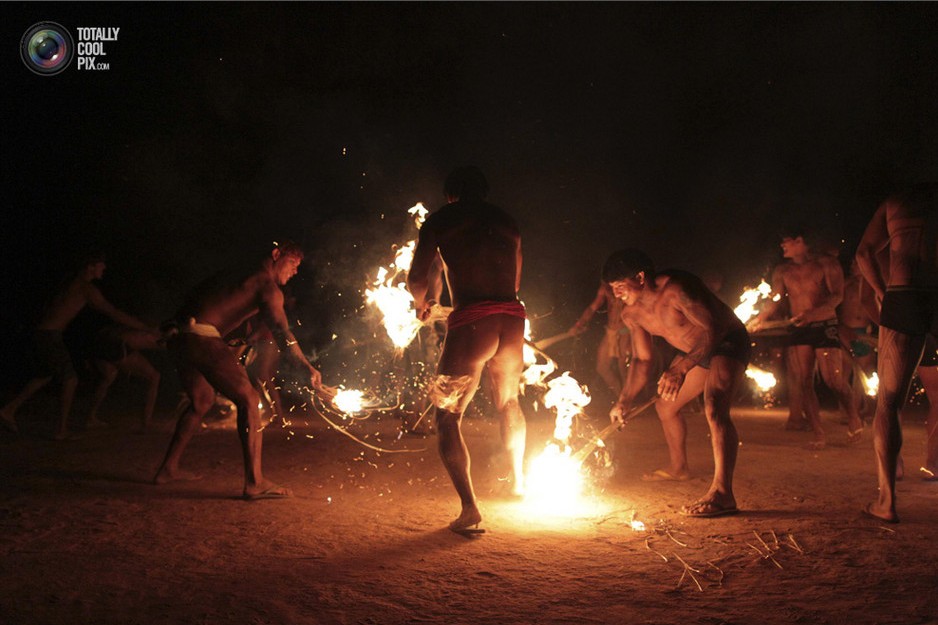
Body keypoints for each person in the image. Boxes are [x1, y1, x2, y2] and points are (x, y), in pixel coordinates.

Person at [153, 241, 323, 500]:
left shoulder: (238, 272)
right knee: (249, 399)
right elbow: (283, 334)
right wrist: (308, 367)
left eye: (299, 266)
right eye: (293, 263)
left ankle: (168, 468)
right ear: (276, 255)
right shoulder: (267, 287)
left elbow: (204, 295)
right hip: (201, 336)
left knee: (202, 400)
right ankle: (254, 481)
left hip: (179, 336)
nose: (296, 271)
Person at [407, 166, 527, 532]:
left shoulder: (442, 219)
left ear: (450, 195)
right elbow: (516, 280)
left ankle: (470, 509)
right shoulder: (508, 221)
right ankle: (520, 482)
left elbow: (416, 277)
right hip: (513, 316)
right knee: (508, 402)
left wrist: (420, 304)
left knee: (446, 414)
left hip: (474, 320)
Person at [605, 249, 750, 518]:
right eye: (612, 289)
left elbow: (714, 329)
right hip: (695, 352)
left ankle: (722, 493)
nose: (616, 295)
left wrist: (681, 368)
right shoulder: (631, 315)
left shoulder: (676, 289)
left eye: (620, 286)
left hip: (726, 341)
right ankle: (679, 468)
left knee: (714, 406)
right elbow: (641, 360)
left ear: (639, 277)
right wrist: (624, 399)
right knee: (665, 407)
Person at [0, 252, 155, 440]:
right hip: (49, 336)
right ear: (90, 267)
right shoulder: (86, 288)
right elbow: (112, 312)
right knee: (70, 379)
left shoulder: (70, 282)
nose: (104, 269)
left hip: (41, 333)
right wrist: (142, 327)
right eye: (101, 265)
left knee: (45, 374)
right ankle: (61, 430)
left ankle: (9, 410)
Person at [855, 183, 938, 522]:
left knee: (889, 402)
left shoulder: (899, 199)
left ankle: (886, 503)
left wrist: (880, 292)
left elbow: (863, 253)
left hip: (906, 293)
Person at [750, 227, 864, 448]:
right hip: (799, 327)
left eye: (787, 241)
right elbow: (774, 299)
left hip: (823, 324)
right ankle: (818, 433)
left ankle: (853, 415)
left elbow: (836, 296)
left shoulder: (826, 265)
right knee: (804, 381)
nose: (782, 245)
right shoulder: (782, 271)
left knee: (833, 379)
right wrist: (761, 318)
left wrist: (813, 313)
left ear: (801, 241)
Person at [86, 324, 163, 432]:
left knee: (108, 378)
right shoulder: (161, 336)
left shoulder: (140, 328)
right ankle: (146, 423)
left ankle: (90, 417)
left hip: (101, 342)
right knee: (154, 377)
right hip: (117, 345)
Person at [569, 282, 631, 397]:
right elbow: (593, 307)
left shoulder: (626, 284)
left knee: (624, 369)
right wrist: (579, 324)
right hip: (611, 332)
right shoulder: (606, 287)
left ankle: (629, 401)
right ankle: (620, 397)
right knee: (602, 367)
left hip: (626, 332)